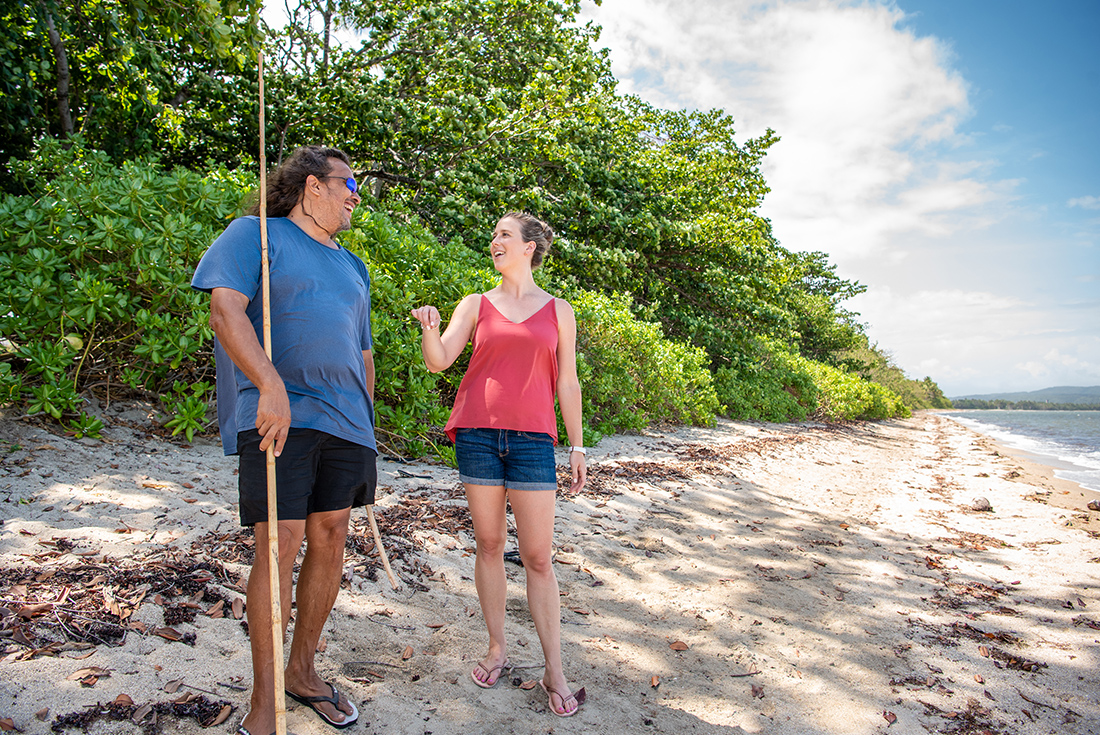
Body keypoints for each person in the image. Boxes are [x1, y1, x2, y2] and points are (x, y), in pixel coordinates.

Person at [192, 145, 374, 735]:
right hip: (280, 415)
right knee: (279, 541)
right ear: (311, 186)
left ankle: (302, 670)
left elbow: (362, 351)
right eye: (347, 184)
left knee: (331, 535)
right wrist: (269, 385)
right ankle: (265, 701)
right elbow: (225, 311)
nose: (355, 196)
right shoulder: (256, 235)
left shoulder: (354, 266)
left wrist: (369, 424)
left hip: (348, 423)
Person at [410, 212, 588, 717]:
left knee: (537, 557)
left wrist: (577, 445)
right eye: (493, 235)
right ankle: (497, 648)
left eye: (505, 235)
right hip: (479, 436)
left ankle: (555, 668)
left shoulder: (560, 311)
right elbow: (440, 360)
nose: (495, 241)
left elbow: (567, 383)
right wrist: (431, 328)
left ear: (530, 247)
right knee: (488, 545)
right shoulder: (475, 304)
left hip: (534, 441)